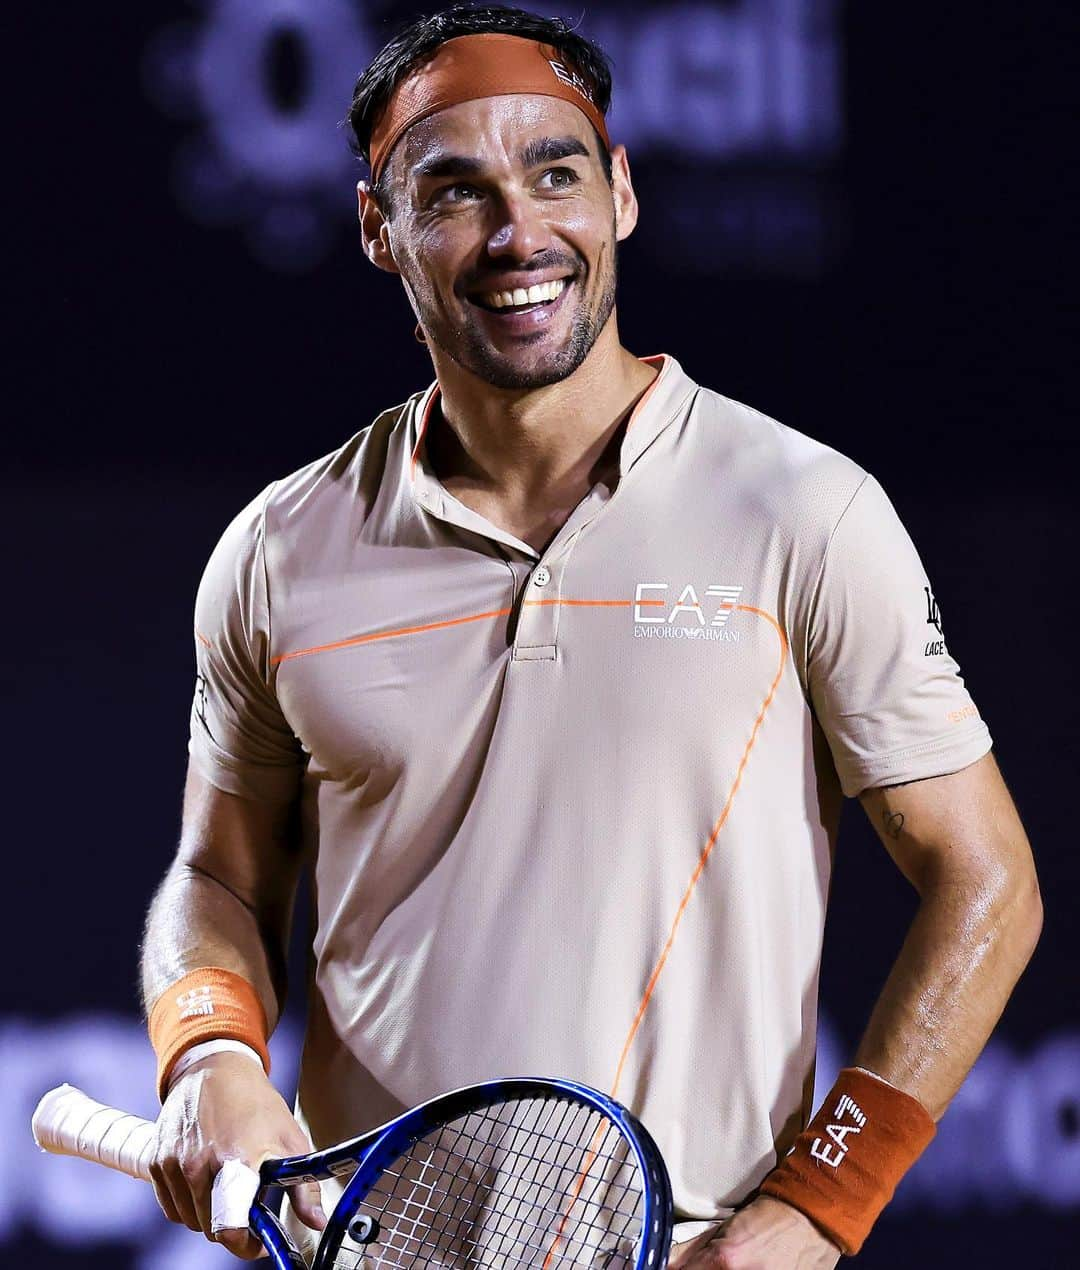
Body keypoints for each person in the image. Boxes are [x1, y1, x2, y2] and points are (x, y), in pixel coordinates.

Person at [141, 5, 1042, 1265]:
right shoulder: (278, 551)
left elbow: (986, 882)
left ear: (619, 193)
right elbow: (217, 879)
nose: (520, 234)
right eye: (454, 191)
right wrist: (213, 1050)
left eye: (555, 173)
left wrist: (821, 1205)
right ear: (376, 229)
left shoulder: (805, 512)